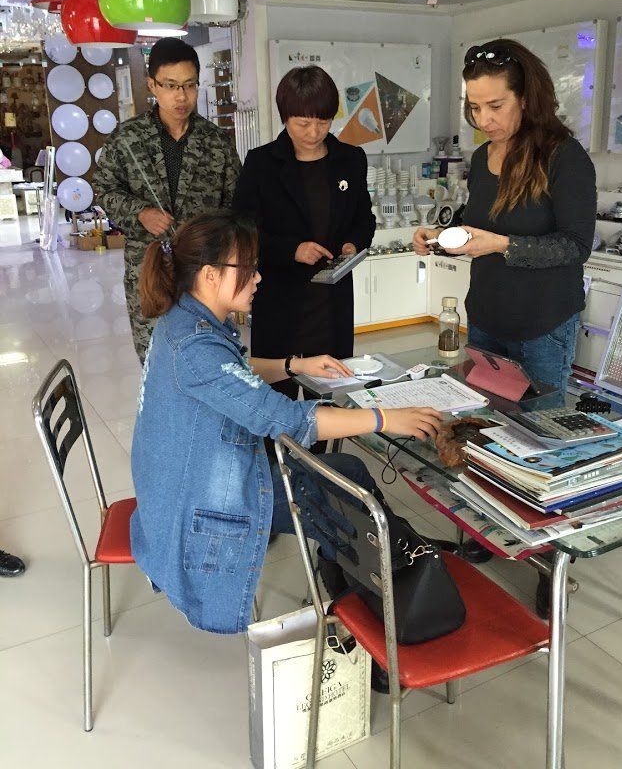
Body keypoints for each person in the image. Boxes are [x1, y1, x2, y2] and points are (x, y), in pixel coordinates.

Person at [130, 210, 442, 635]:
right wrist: (384, 418)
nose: (258, 278)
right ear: (210, 275)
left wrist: (295, 365)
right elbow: (287, 419)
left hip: (181, 482)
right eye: (248, 268)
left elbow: (233, 372)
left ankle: (372, 571)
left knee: (346, 475)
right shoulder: (194, 346)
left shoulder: (184, 319)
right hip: (200, 501)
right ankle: (386, 597)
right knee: (346, 488)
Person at [414, 38, 597, 616]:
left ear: (526, 98)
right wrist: (442, 236)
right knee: (482, 430)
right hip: (488, 316)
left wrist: (502, 245)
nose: (483, 119)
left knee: (542, 442)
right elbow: (478, 226)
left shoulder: (564, 158)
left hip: (542, 321)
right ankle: (485, 530)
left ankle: (550, 562)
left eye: (495, 106)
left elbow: (575, 246)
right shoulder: (481, 159)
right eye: (475, 107)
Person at [233, 65, 375, 399]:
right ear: (285, 117)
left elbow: (364, 219)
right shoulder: (261, 163)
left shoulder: (350, 159)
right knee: (276, 393)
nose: (314, 132)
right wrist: (292, 250)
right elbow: (242, 229)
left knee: (327, 393)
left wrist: (353, 244)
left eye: (323, 122)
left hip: (331, 301)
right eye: (303, 123)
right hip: (280, 297)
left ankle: (323, 435)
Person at [94, 38, 240, 363]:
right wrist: (140, 213)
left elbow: (235, 205)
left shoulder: (216, 142)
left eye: (189, 85)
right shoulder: (127, 138)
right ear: (152, 85)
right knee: (155, 355)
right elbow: (103, 189)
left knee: (206, 353)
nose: (181, 96)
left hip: (203, 271)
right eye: (171, 85)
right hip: (149, 268)